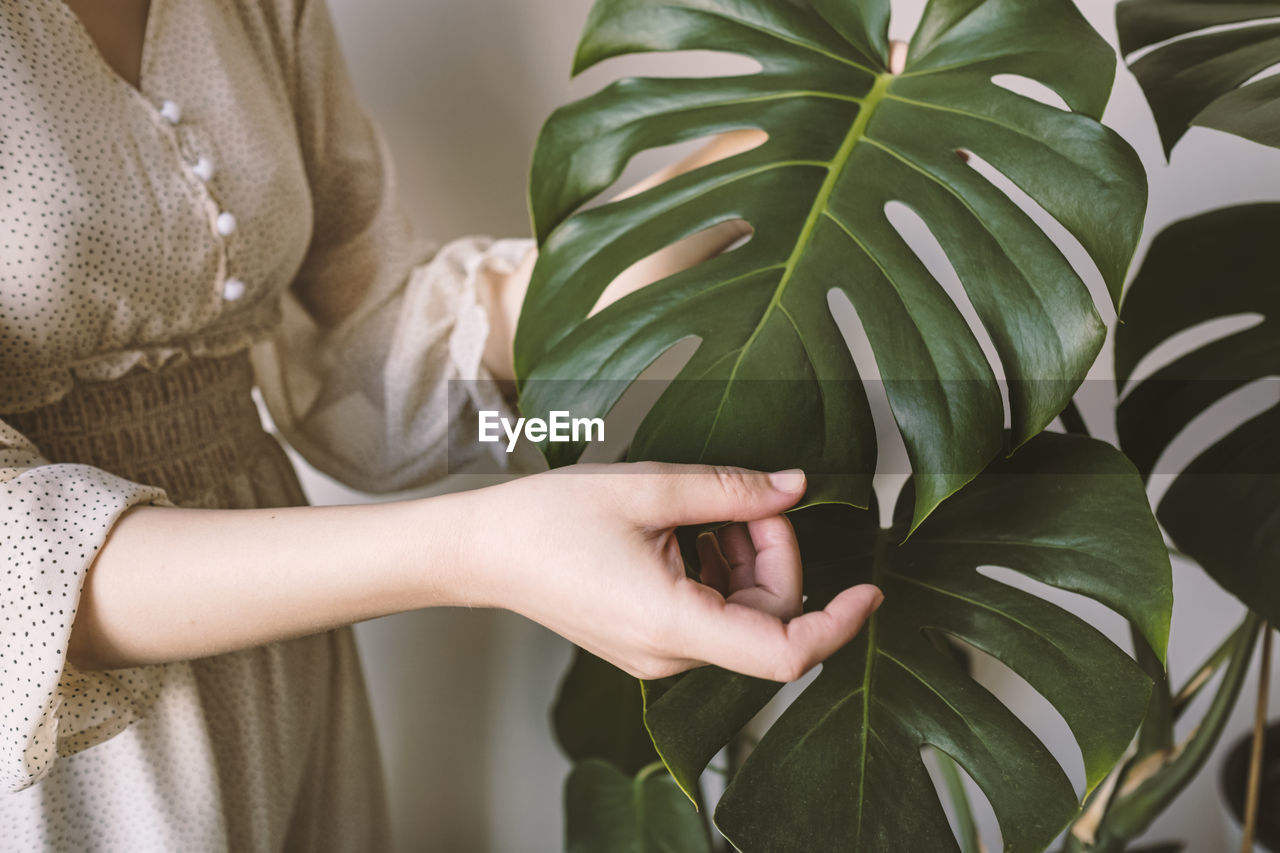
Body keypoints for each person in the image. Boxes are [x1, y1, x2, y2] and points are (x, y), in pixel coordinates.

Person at [0, 0, 884, 848]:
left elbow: (362, 354)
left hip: (284, 662)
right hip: (59, 735)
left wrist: (750, 171)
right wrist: (480, 551)